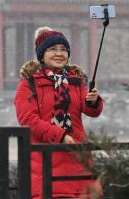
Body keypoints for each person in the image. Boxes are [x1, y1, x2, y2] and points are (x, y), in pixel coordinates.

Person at [14, 26, 104, 199]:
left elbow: (91, 111)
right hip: (46, 160)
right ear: (41, 55)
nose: (59, 53)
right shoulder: (29, 84)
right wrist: (60, 135)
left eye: (63, 49)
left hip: (78, 157)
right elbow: (28, 120)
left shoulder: (75, 81)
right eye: (52, 49)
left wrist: (93, 102)